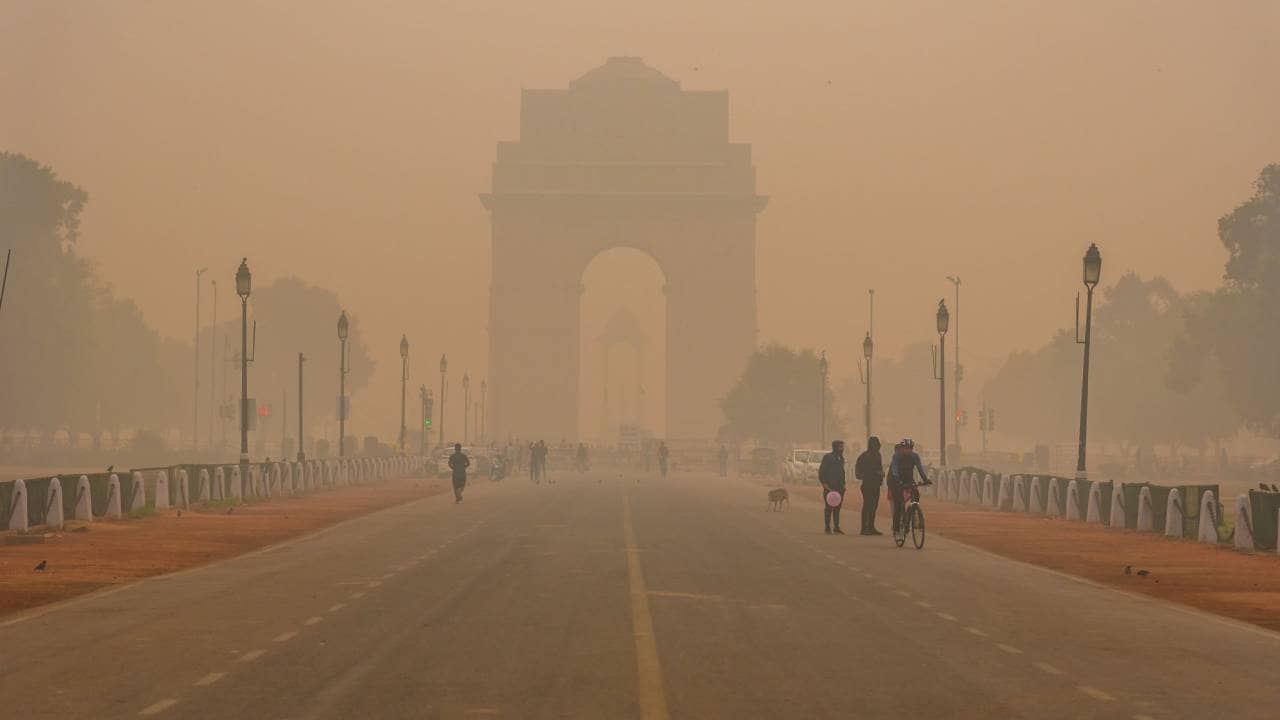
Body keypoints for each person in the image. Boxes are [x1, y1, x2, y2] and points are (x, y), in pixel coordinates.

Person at [886, 439, 930, 534]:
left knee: (916, 493)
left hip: (908, 478)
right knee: (899, 504)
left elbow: (920, 468)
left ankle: (914, 513)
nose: (908, 450)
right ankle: (896, 528)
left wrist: (925, 479)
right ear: (902, 448)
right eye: (906, 448)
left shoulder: (914, 456)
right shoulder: (897, 456)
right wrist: (898, 480)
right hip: (896, 480)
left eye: (910, 448)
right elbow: (894, 469)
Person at [854, 436, 885, 535]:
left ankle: (871, 527)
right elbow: (858, 469)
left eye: (877, 445)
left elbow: (879, 468)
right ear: (871, 445)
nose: (877, 447)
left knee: (874, 506)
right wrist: (865, 475)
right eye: (875, 445)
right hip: (867, 484)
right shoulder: (865, 456)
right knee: (867, 505)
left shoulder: (878, 455)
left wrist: (880, 474)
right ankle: (864, 528)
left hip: (876, 484)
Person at [818, 440, 847, 534]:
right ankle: (827, 527)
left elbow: (842, 473)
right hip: (829, 487)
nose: (842, 449)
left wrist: (843, 485)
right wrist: (824, 483)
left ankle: (836, 527)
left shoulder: (841, 458)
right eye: (840, 447)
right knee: (829, 507)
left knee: (837, 508)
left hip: (840, 487)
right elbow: (822, 471)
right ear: (835, 447)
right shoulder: (828, 457)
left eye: (842, 447)